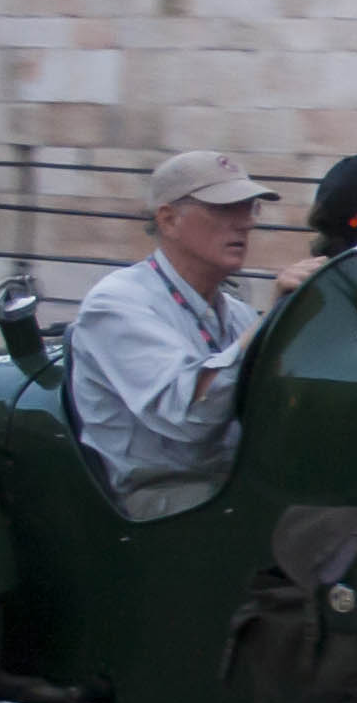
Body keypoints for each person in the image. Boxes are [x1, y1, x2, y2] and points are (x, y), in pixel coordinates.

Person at [70, 150, 323, 520]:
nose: (244, 224)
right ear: (168, 219)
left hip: (229, 482)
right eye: (223, 209)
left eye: (249, 208)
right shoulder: (117, 304)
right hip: (160, 495)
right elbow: (188, 416)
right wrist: (271, 320)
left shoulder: (233, 310)